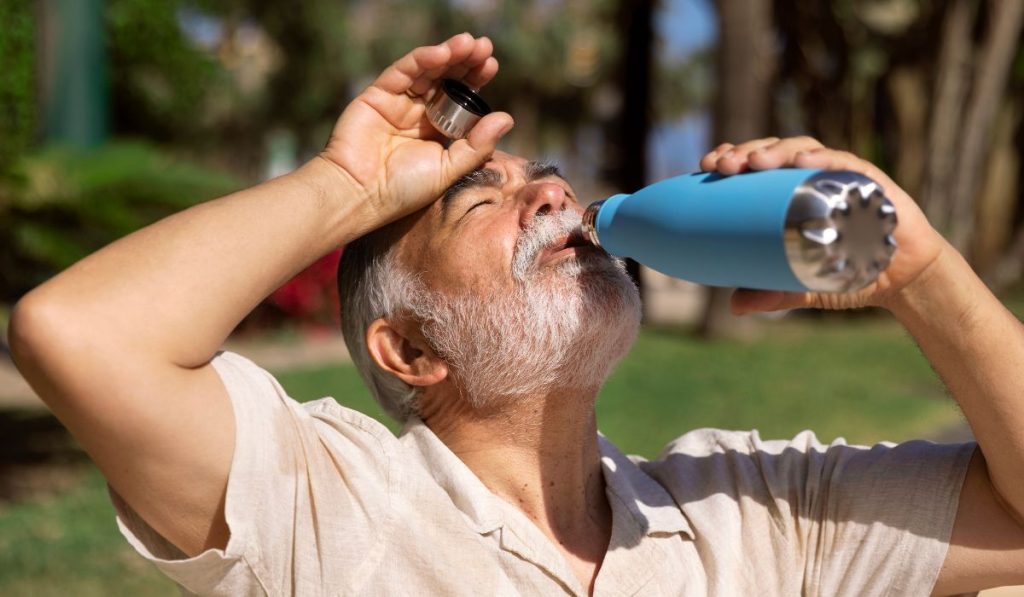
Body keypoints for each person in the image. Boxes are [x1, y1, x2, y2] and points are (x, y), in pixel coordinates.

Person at [8, 34, 1024, 596]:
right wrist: (345, 186)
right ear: (408, 349)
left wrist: (916, 271)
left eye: (543, 181)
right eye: (481, 202)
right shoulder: (328, 506)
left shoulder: (751, 510)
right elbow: (82, 335)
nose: (551, 197)